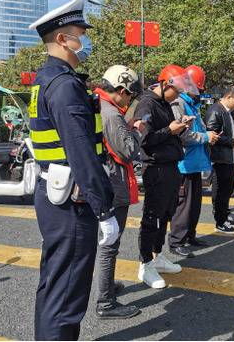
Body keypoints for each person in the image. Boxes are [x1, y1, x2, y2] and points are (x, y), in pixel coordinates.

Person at [28, 0, 119, 340]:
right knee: (67, 294)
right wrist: (104, 209)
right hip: (71, 202)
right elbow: (82, 154)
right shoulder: (66, 86)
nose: (86, 40)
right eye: (81, 33)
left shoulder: (46, 80)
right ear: (63, 39)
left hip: (54, 194)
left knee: (55, 285)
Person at [133, 64, 198, 288]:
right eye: (176, 90)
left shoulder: (164, 103)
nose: (178, 95)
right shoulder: (147, 103)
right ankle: (145, 263)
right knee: (152, 216)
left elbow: (166, 131)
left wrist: (179, 127)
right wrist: (170, 130)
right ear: (164, 84)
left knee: (166, 214)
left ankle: (157, 254)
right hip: (156, 168)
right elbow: (145, 140)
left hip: (171, 165)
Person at [93, 65, 143, 319]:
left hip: (104, 181)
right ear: (121, 90)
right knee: (110, 243)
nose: (130, 100)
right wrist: (136, 130)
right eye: (130, 95)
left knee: (108, 242)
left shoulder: (98, 105)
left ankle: (108, 287)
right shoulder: (111, 114)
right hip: (113, 184)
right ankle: (105, 302)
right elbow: (129, 150)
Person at [168, 65, 220, 257]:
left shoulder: (193, 105)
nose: (200, 91)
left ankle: (190, 235)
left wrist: (209, 135)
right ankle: (176, 241)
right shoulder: (179, 104)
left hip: (196, 163)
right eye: (199, 87)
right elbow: (182, 135)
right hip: (184, 164)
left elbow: (199, 129)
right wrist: (206, 137)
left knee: (195, 205)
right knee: (183, 206)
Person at [205, 87, 234, 234]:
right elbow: (211, 134)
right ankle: (220, 222)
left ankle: (225, 215)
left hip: (229, 157)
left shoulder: (227, 112)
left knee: (227, 190)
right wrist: (230, 141)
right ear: (229, 97)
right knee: (221, 190)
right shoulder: (216, 110)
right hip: (221, 158)